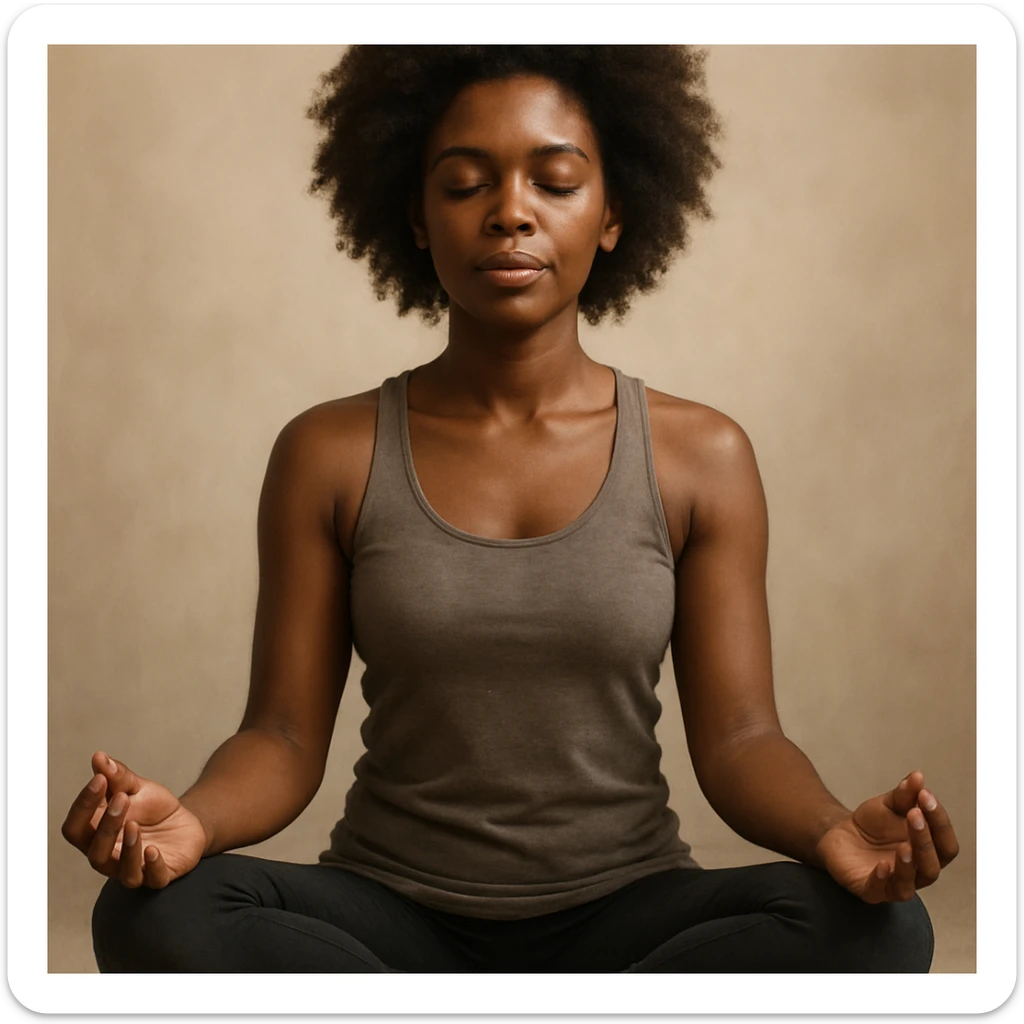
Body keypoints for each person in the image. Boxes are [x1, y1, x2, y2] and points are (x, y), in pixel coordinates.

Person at [64, 45, 958, 974]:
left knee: (878, 928)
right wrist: (193, 824)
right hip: (388, 915)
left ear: (613, 214)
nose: (511, 213)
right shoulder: (329, 453)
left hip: (629, 915)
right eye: (464, 185)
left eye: (557, 180)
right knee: (154, 916)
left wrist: (832, 834)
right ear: (415, 215)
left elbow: (741, 739)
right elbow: (283, 738)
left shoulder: (703, 456)